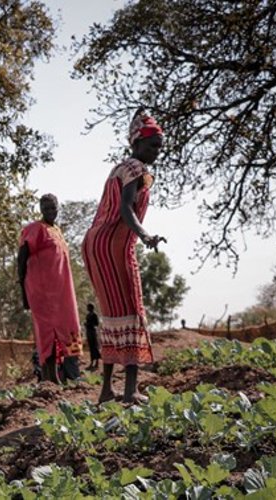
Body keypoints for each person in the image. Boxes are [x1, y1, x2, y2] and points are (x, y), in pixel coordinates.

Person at [83, 109, 166, 406]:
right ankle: (131, 390)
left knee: (113, 314)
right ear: (136, 143)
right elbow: (126, 209)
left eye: (159, 146)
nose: (156, 151)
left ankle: (106, 390)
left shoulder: (121, 168)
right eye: (152, 145)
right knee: (131, 309)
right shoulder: (134, 168)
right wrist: (145, 235)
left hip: (96, 243)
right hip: (115, 245)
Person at [19, 193, 83, 385]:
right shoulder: (34, 229)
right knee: (47, 332)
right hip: (42, 291)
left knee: (67, 328)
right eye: (46, 208)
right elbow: (21, 259)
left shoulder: (57, 230)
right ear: (40, 209)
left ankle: (65, 375)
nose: (50, 211)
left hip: (62, 293)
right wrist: (23, 291)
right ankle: (49, 378)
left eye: (53, 207)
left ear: (58, 208)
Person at [84, 304, 101, 371]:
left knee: (95, 347)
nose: (87, 308)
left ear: (91, 308)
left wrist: (89, 324)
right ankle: (92, 362)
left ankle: (97, 362)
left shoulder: (94, 315)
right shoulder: (88, 315)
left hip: (92, 332)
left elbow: (96, 324)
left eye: (88, 307)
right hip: (89, 332)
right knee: (91, 347)